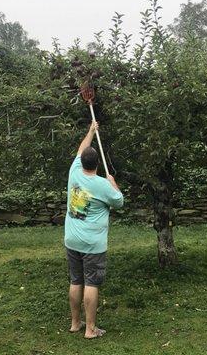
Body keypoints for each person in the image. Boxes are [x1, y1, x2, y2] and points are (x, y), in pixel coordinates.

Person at [64, 121, 124, 339]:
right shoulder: (102, 185)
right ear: (97, 164)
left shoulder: (74, 172)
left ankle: (75, 323)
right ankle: (90, 329)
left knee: (75, 281)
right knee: (91, 283)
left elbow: (81, 149)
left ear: (81, 162)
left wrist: (90, 131)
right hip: (92, 244)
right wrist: (113, 182)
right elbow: (119, 202)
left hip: (72, 240)